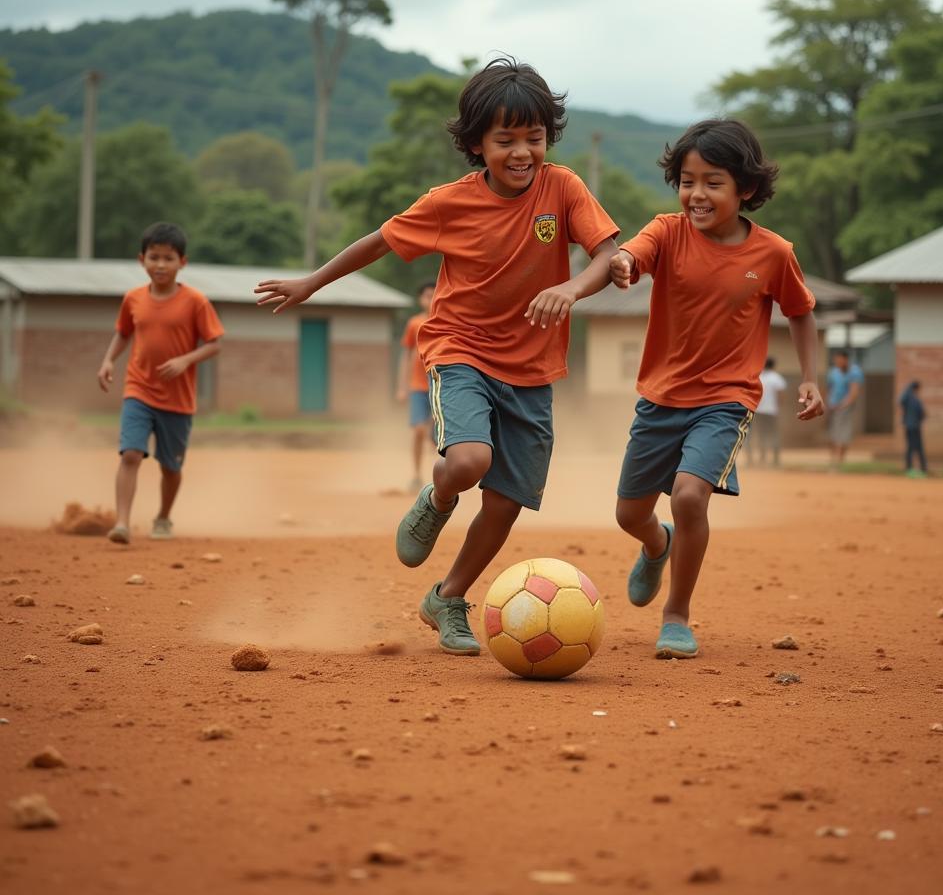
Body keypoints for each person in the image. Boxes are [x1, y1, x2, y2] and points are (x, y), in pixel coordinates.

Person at [255, 57, 619, 655]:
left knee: (505, 505)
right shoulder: (449, 203)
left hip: (532, 369)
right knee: (471, 458)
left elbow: (608, 253)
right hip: (461, 349)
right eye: (506, 140)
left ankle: (447, 597)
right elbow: (378, 242)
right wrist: (310, 283)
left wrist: (571, 287)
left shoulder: (564, 187)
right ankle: (439, 498)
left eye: (534, 137)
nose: (523, 151)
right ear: (478, 144)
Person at [608, 119, 823, 660]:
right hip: (660, 396)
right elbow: (635, 253)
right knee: (629, 515)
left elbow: (800, 313)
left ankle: (676, 614)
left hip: (726, 399)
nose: (695, 194)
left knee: (687, 495)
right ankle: (658, 546)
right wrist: (624, 262)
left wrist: (811, 378)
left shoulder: (773, 253)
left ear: (745, 188)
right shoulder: (667, 230)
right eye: (686, 180)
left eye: (712, 182)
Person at [97, 222, 224, 544]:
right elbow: (124, 332)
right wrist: (109, 360)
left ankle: (164, 516)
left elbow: (214, 343)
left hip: (178, 400)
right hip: (138, 389)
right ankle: (122, 523)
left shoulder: (196, 301)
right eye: (154, 257)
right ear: (142, 260)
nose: (160, 265)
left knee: (170, 467)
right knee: (130, 454)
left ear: (182, 262)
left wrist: (185, 360)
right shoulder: (133, 299)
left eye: (168, 258)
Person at [396, 280, 437, 492]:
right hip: (418, 386)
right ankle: (416, 475)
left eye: (434, 294)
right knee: (419, 430)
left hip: (442, 385)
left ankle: (442, 480)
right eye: (426, 295)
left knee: (438, 435)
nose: (430, 299)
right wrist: (402, 387)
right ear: (420, 299)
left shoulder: (446, 321)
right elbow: (406, 354)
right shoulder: (414, 323)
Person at [826, 350, 865, 467]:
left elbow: (854, 392)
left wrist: (843, 405)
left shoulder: (855, 372)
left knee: (843, 433)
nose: (837, 362)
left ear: (845, 359)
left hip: (845, 407)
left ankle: (840, 459)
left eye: (839, 359)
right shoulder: (833, 372)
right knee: (833, 433)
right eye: (835, 360)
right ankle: (833, 459)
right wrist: (828, 404)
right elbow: (829, 389)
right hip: (832, 406)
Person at [747, 356, 787, 467]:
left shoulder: (759, 377)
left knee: (760, 434)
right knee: (773, 434)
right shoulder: (777, 378)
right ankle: (775, 460)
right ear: (774, 365)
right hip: (771, 411)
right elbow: (781, 396)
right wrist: (778, 408)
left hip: (758, 410)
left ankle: (762, 458)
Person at [899, 379, 927, 476]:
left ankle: (910, 468)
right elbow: (922, 414)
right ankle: (922, 468)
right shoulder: (914, 399)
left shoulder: (908, 398)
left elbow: (901, 400)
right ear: (916, 389)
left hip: (909, 426)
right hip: (914, 427)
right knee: (917, 448)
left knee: (911, 448)